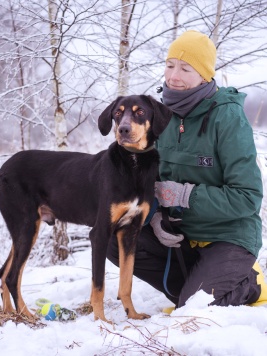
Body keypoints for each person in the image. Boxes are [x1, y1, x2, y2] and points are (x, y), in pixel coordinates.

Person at [107, 30, 267, 310]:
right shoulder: (157, 114)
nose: (173, 76)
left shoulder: (227, 117)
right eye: (170, 66)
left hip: (228, 236)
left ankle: (247, 283)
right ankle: (196, 289)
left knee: (195, 309)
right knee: (113, 237)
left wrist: (183, 196)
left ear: (204, 75)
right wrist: (155, 214)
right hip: (182, 236)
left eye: (185, 68)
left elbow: (247, 197)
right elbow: (150, 180)